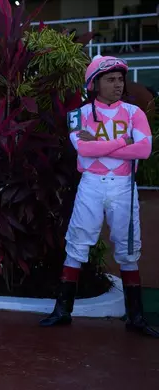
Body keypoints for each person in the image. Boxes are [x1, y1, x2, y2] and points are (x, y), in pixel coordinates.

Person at [39, 55, 158, 338]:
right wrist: (122, 142)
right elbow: (83, 149)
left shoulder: (134, 113)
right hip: (91, 185)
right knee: (77, 243)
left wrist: (101, 146)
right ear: (94, 84)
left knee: (129, 249)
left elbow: (143, 150)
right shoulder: (78, 114)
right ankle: (62, 310)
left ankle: (136, 317)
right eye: (110, 80)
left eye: (120, 80)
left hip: (123, 187)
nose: (118, 85)